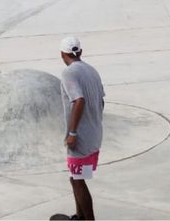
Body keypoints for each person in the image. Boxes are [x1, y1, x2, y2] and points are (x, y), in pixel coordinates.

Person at [58, 36, 105, 221]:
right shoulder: (92, 70)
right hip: (95, 134)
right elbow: (101, 101)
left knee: (78, 180)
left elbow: (79, 100)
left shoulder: (69, 73)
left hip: (80, 138)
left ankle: (89, 219)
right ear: (81, 52)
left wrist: (72, 133)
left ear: (62, 54)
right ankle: (79, 216)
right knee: (75, 177)